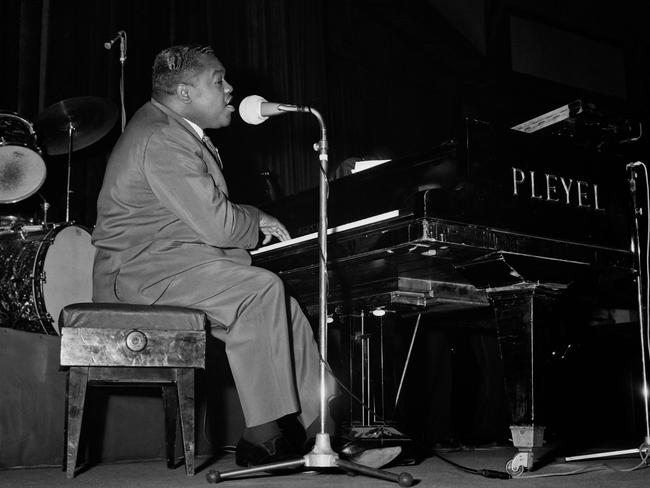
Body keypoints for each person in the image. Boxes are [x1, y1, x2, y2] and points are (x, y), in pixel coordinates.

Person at [91, 44, 328, 467]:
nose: (230, 88)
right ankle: (265, 437)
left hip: (172, 266)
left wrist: (250, 222)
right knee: (260, 290)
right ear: (184, 92)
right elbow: (219, 226)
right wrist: (255, 218)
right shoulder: (161, 138)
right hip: (138, 276)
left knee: (286, 309)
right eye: (218, 80)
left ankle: (322, 429)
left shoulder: (172, 130)